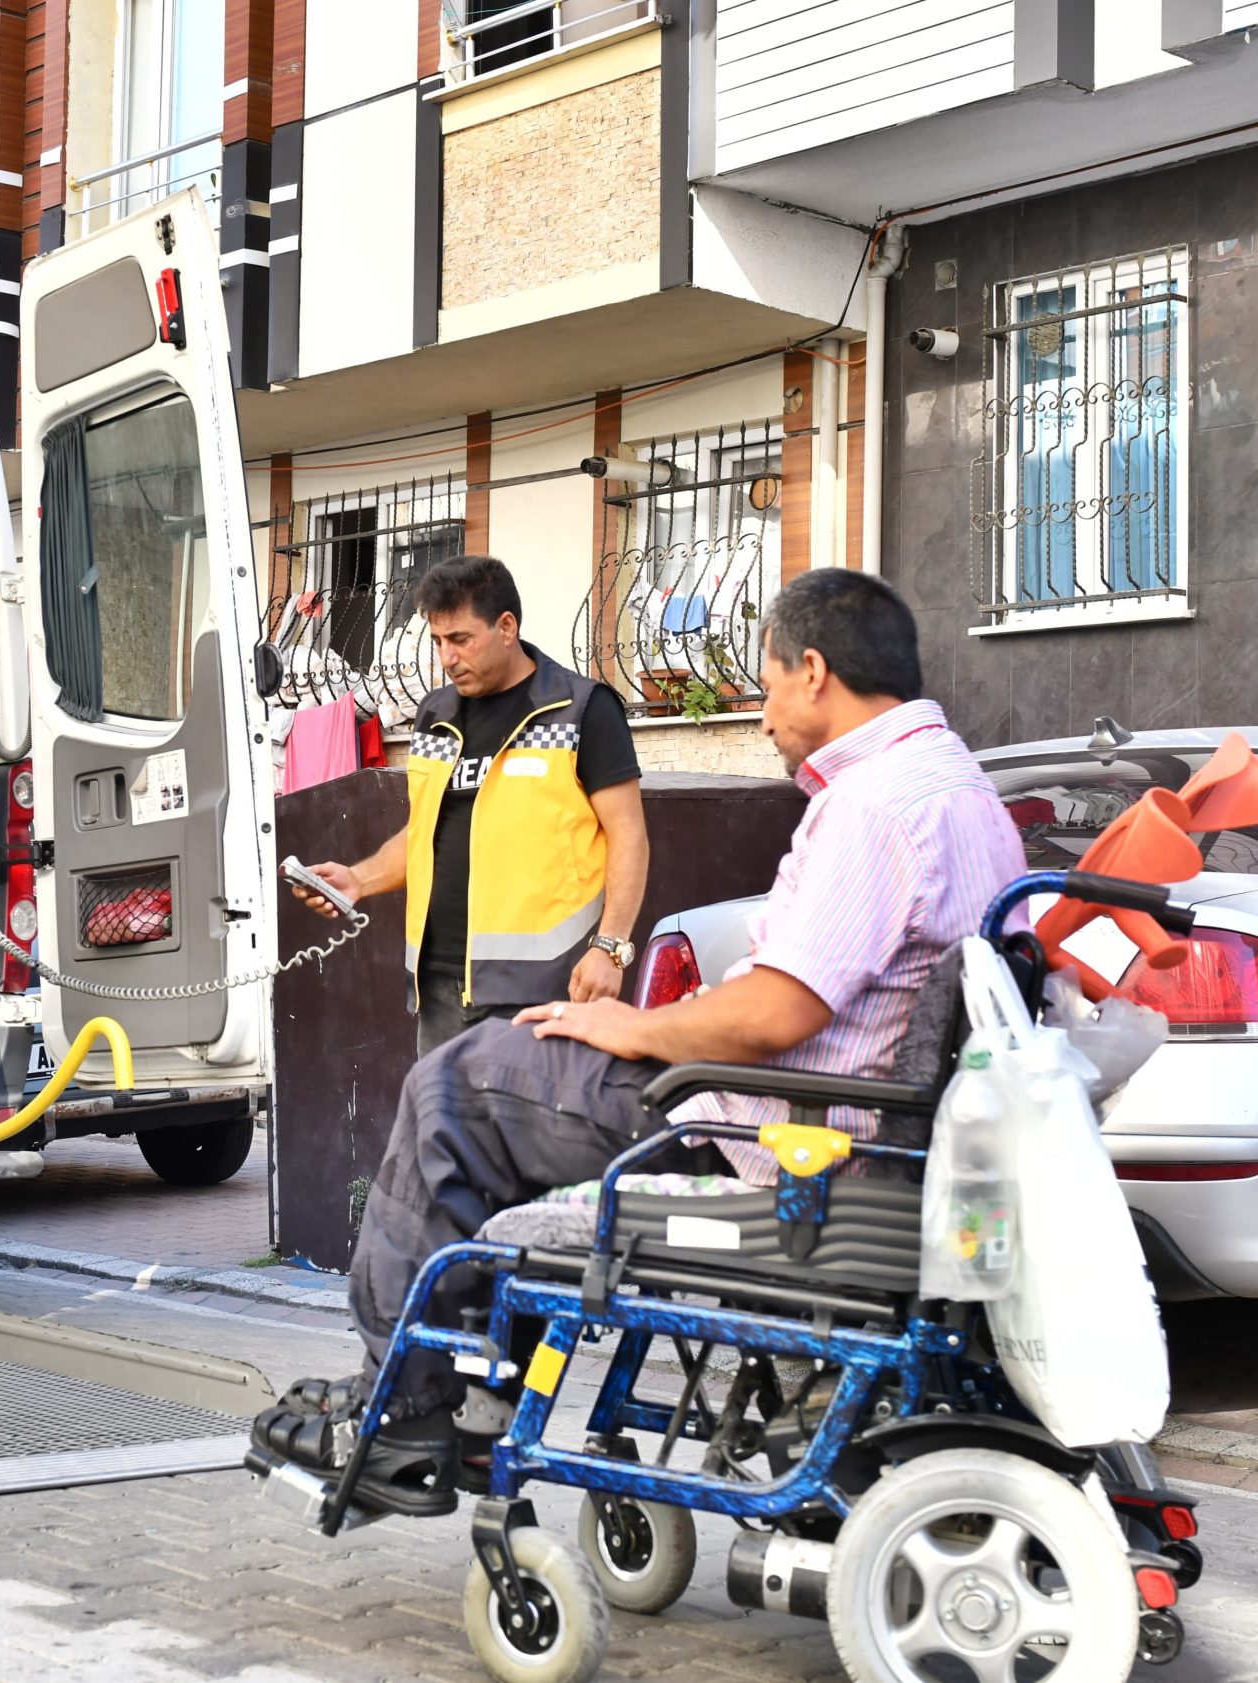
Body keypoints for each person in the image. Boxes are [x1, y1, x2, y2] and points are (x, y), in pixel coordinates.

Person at [257, 569, 1029, 1514]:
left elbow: (779, 1011)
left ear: (815, 672)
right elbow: (427, 835)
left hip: (762, 1128)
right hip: (833, 1114)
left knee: (449, 1090)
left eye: (770, 681)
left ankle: (405, 1409)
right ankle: (475, 1389)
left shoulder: (874, 806)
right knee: (485, 1095)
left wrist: (638, 1019)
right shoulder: (961, 786)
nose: (765, 714)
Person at [291, 555, 648, 1054]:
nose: (447, 657)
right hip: (438, 991)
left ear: (507, 627)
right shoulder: (435, 715)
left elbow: (629, 835)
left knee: (528, 1135)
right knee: (444, 1133)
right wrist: (359, 880)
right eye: (438, 641)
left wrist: (610, 949)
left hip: (546, 989)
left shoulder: (582, 708)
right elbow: (426, 832)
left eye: (460, 639)